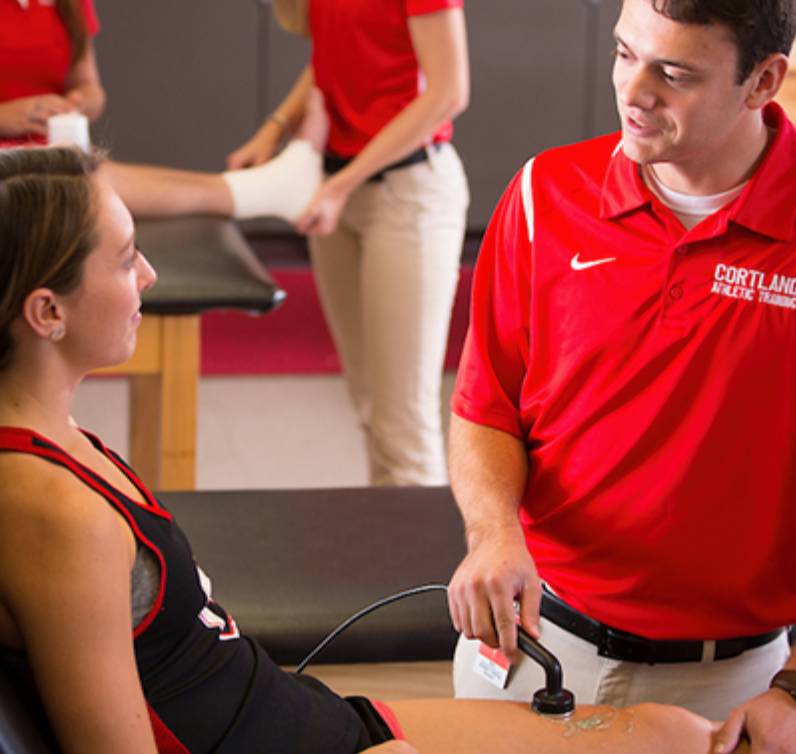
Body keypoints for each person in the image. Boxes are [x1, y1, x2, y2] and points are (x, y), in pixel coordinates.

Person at [0, 145, 754, 754]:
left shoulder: (58, 439)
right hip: (290, 737)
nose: (150, 275)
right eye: (128, 258)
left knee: (672, 734)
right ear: (48, 311)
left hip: (298, 715)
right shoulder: (54, 512)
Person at [445, 0, 796, 753]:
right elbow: (486, 406)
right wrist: (493, 533)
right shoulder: (545, 193)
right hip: (532, 644)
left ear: (763, 81)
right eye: (623, 53)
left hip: (733, 688)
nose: (634, 91)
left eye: (673, 73)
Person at [229, 0, 471, 486]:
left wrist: (339, 187)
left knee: (402, 427)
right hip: (339, 187)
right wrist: (272, 131)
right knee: (369, 404)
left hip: (407, 195)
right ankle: (392, 554)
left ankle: (417, 561)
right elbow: (330, 60)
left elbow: (448, 92)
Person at [0, 0, 324, 222]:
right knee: (93, 181)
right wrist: (7, 116)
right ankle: (259, 191)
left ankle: (259, 188)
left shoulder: (66, 4)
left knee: (95, 174)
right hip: (14, 162)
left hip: (53, 152)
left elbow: (92, 90)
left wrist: (77, 103)